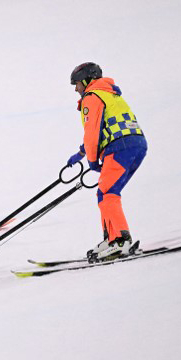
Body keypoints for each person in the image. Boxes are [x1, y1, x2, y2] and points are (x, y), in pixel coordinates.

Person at [65, 62, 148, 260]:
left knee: (108, 193)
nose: (76, 89)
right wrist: (81, 153)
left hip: (119, 148)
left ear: (87, 80)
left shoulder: (92, 97)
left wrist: (92, 161)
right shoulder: (109, 93)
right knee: (105, 193)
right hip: (136, 145)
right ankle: (111, 238)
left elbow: (92, 133)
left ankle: (120, 240)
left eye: (77, 84)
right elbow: (106, 127)